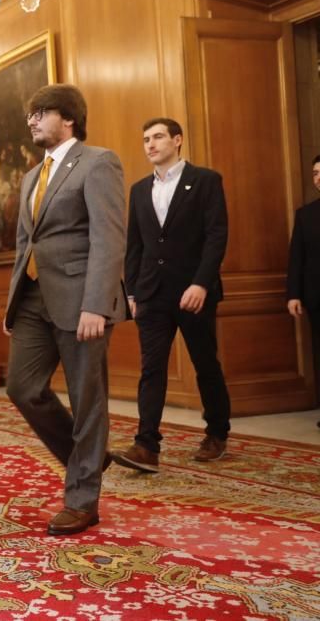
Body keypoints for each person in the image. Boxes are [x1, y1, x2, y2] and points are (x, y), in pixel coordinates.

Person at [3, 84, 127, 536]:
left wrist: (98, 303)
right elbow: (24, 246)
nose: (32, 120)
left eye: (41, 112)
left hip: (82, 302)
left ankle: (82, 498)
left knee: (87, 398)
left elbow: (109, 238)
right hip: (33, 300)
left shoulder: (98, 163)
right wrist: (12, 304)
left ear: (69, 118)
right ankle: (89, 459)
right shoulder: (31, 177)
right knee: (22, 387)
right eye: (30, 114)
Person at [111, 118, 231, 473]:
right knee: (151, 369)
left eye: (158, 137)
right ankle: (146, 445)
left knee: (205, 363)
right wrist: (131, 292)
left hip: (194, 290)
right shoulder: (138, 189)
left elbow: (216, 236)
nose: (150, 144)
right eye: (146, 138)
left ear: (177, 140)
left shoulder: (206, 181)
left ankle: (217, 432)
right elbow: (134, 246)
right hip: (151, 294)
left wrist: (201, 283)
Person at [286, 154, 320, 428]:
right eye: (316, 173)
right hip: (316, 296)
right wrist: (293, 294)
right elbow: (296, 257)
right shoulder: (305, 214)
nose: (318, 177)